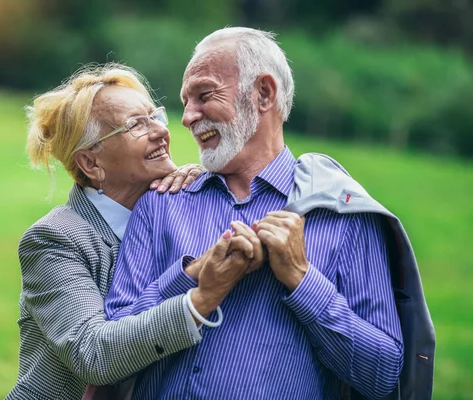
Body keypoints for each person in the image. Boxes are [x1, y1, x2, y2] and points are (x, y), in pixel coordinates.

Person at [105, 27, 434, 399]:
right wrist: (193, 277)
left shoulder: (345, 214)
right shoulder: (162, 203)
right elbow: (110, 349)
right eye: (186, 100)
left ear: (263, 93)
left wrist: (301, 278)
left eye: (204, 95)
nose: (187, 116)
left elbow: (383, 375)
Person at [6, 63, 262, 400]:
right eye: (135, 125)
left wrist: (200, 187)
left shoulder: (175, 206)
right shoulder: (55, 239)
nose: (160, 132)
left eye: (154, 116)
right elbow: (93, 354)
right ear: (91, 164)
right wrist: (199, 297)